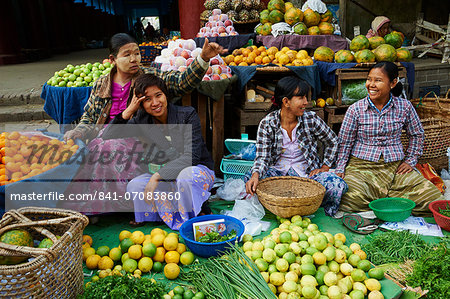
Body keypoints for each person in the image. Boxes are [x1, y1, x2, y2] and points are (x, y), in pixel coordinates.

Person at [62, 33, 225, 214]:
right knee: (93, 147)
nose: (134, 59)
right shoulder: (101, 84)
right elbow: (90, 117)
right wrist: (80, 131)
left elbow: (181, 83)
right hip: (110, 133)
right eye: (126, 55)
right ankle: (97, 207)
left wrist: (202, 59)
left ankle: (129, 207)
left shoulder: (149, 75)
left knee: (108, 147)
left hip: (138, 136)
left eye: (137, 53)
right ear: (112, 59)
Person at [101, 74, 215, 230]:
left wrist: (157, 176)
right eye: (147, 99)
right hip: (168, 179)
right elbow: (108, 135)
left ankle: (189, 218)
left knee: (186, 177)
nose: (155, 103)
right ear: (140, 103)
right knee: (135, 186)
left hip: (195, 172)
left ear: (165, 95)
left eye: (158, 95)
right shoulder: (143, 120)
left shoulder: (187, 115)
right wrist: (129, 110)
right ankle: (169, 214)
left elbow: (191, 158)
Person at [335, 61, 444, 215]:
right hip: (361, 168)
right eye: (369, 79)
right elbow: (345, 142)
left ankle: (383, 200)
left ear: (393, 83)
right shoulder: (356, 109)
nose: (371, 85)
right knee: (348, 200)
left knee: (434, 200)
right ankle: (391, 202)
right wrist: (340, 168)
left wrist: (410, 161)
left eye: (378, 80)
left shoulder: (404, 107)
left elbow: (417, 134)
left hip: (395, 169)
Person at [245, 77, 348, 216]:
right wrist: (256, 175)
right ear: (286, 102)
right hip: (278, 176)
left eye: (306, 97)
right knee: (250, 180)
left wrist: (325, 167)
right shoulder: (268, 123)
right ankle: (287, 207)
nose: (306, 102)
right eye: (301, 97)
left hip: (307, 176)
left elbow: (332, 141)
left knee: (337, 184)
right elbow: (262, 157)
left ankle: (320, 211)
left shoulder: (310, 119)